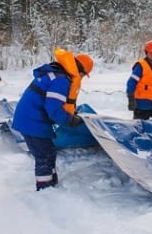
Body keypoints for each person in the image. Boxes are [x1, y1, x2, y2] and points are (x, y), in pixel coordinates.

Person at [12, 48, 94, 191]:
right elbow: (53, 109)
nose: (81, 78)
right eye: (83, 75)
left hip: (32, 118)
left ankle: (52, 183)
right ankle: (44, 190)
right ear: (80, 71)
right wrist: (69, 120)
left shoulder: (57, 74)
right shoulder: (61, 80)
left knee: (49, 152)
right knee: (43, 155)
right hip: (32, 121)